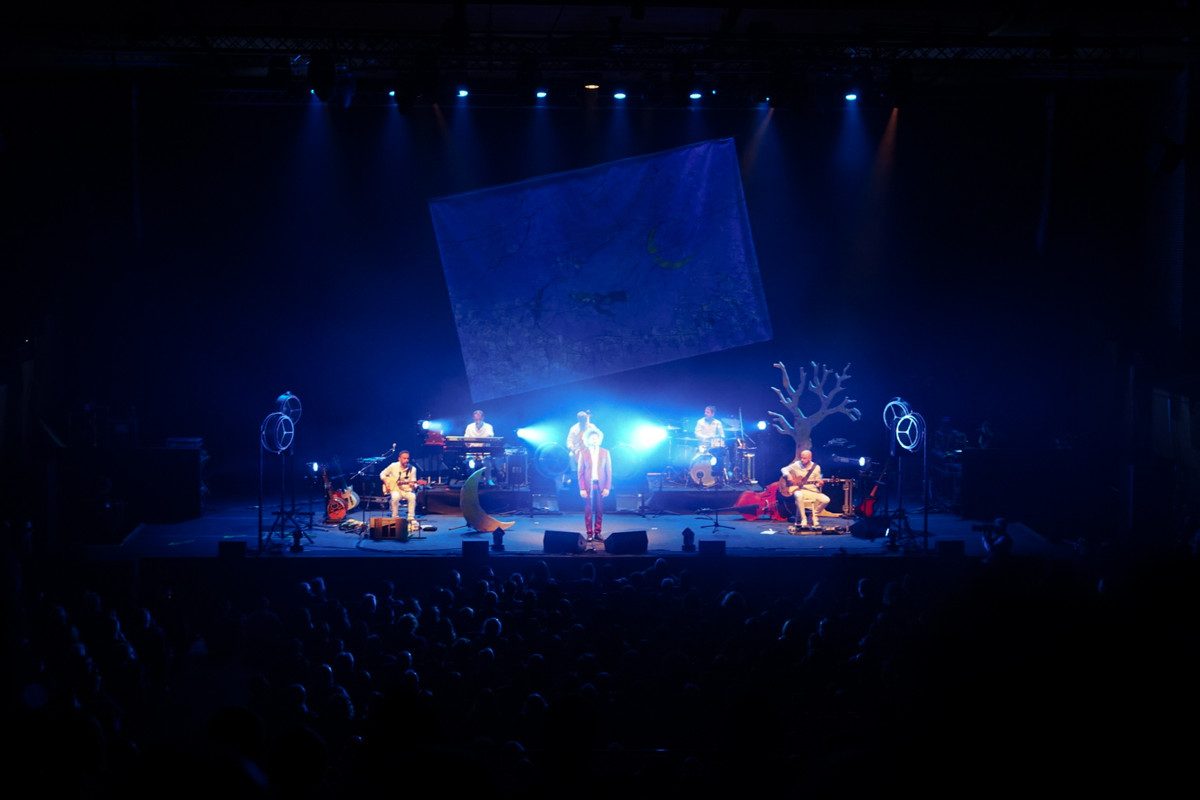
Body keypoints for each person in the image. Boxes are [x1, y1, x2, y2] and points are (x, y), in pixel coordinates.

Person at [576, 428, 612, 542]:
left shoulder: (605, 452)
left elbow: (609, 471)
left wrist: (607, 487)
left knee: (600, 509)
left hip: (600, 485)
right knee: (588, 510)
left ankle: (597, 532)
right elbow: (580, 472)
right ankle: (589, 533)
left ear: (599, 439)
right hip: (588, 485)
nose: (594, 439)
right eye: (592, 438)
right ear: (588, 439)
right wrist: (582, 488)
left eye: (596, 438)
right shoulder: (583, 452)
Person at [781, 449, 829, 529]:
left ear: (810, 458)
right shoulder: (797, 464)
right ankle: (804, 519)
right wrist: (788, 475)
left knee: (826, 500)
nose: (802, 460)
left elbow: (817, 482)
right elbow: (783, 469)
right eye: (801, 458)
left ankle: (814, 515)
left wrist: (819, 483)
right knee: (798, 495)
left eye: (804, 458)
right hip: (800, 490)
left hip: (812, 491)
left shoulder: (816, 467)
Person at [564, 410, 602, 488]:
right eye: (582, 420)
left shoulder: (592, 427)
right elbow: (569, 441)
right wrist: (573, 448)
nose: (584, 421)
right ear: (579, 420)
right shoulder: (574, 428)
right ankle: (574, 474)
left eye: (585, 419)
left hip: (590, 448)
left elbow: (599, 436)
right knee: (571, 455)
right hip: (578, 449)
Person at [380, 450, 419, 522]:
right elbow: (382, 473)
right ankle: (395, 516)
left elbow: (414, 481)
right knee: (395, 497)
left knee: (412, 496)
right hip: (395, 489)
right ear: (399, 458)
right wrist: (386, 482)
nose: (406, 460)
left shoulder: (413, 469)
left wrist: (414, 485)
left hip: (406, 490)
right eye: (404, 458)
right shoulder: (393, 466)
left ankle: (411, 517)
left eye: (408, 458)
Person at [694, 405, 728, 482]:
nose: (705, 413)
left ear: (713, 414)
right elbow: (697, 434)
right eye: (705, 411)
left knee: (719, 458)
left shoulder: (717, 423)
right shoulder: (700, 422)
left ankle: (717, 477)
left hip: (714, 446)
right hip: (703, 445)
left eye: (707, 412)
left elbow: (722, 435)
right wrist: (707, 437)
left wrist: (717, 437)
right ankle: (701, 476)